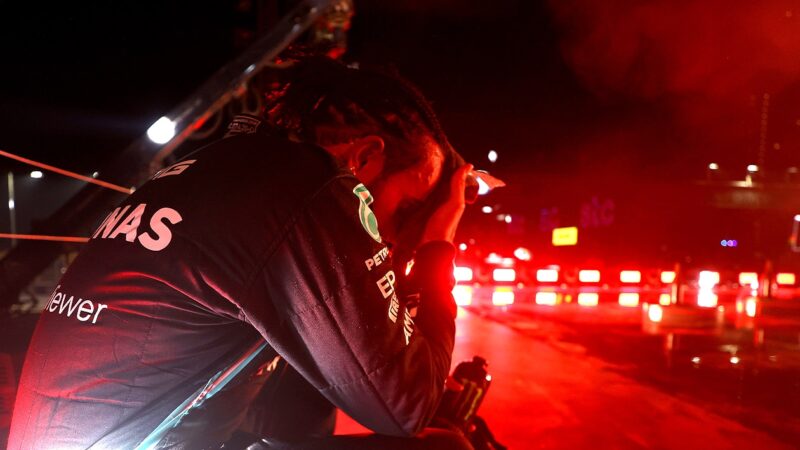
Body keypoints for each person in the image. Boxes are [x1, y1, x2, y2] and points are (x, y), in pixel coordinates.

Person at [9, 57, 475, 449]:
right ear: (365, 159)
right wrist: (438, 243)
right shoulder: (313, 185)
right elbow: (406, 404)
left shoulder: (229, 170)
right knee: (443, 445)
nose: (398, 236)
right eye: (408, 208)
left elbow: (334, 375)